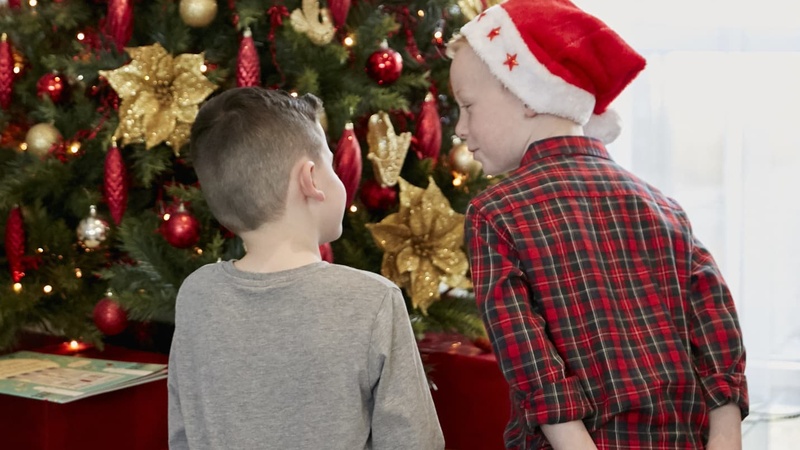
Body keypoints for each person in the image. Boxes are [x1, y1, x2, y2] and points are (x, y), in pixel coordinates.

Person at [447, 0, 748, 448]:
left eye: (467, 106)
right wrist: (725, 439)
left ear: (528, 95)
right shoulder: (663, 206)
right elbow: (716, 329)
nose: (459, 128)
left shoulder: (496, 212)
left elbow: (530, 361)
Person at [167, 87, 444, 450]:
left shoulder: (196, 295)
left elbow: (183, 435)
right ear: (311, 179)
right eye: (330, 163)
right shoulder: (372, 300)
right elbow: (414, 442)